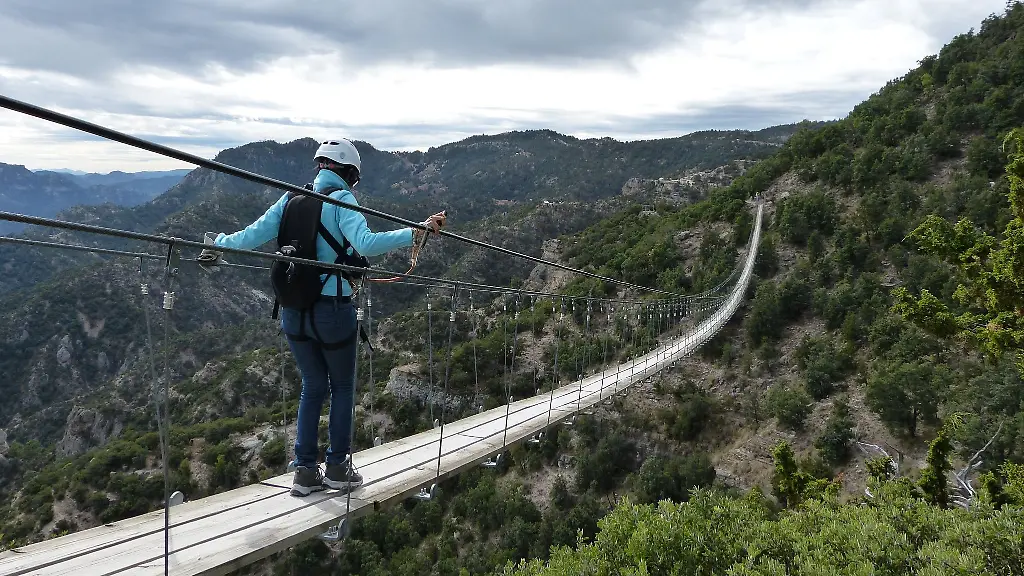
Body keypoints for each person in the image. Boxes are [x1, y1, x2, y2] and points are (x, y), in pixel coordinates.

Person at [200, 139, 446, 496]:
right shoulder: (341, 200)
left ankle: (304, 472)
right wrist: (416, 231)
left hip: (293, 312)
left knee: (312, 387)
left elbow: (252, 235)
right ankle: (336, 467)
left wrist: (216, 243)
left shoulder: (290, 199)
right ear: (348, 173)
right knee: (342, 387)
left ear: (320, 167)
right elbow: (365, 244)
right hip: (332, 311)